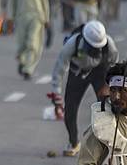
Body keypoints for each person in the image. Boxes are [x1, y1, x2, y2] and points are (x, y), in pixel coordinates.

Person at [51, 21, 119, 156]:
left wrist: (108, 86)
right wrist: (56, 92)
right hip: (78, 73)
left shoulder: (108, 44)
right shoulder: (73, 43)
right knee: (70, 107)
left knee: (109, 107)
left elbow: (115, 65)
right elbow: (59, 68)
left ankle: (111, 141)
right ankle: (73, 142)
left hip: (100, 73)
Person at [8, 0, 50, 80]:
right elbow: (12, 0)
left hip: (37, 16)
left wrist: (47, 18)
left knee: (32, 43)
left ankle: (28, 69)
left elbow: (44, 0)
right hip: (21, 16)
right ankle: (22, 60)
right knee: (22, 44)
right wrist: (10, 17)